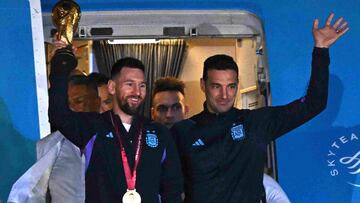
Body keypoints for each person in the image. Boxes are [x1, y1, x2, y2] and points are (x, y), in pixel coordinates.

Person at [171, 13, 349, 202]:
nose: (224, 95)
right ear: (203, 85)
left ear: (237, 86)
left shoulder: (255, 123)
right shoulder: (182, 132)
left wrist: (321, 49)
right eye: (216, 86)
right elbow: (167, 187)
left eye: (231, 87)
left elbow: (314, 103)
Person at [48, 55, 183, 202]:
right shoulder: (93, 126)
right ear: (112, 87)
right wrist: (60, 66)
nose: (137, 92)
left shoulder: (159, 132)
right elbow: (58, 114)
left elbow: (172, 188)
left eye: (142, 85)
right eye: (129, 84)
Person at [151, 78, 290, 202]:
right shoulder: (144, 154)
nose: (169, 115)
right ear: (152, 113)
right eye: (162, 109)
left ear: (186, 111)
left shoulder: (205, 149)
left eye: (176, 107)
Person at [8, 74, 101, 203]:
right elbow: (34, 193)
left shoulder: (115, 140)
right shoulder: (48, 146)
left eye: (79, 101)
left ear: (97, 102)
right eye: (66, 104)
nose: (70, 109)